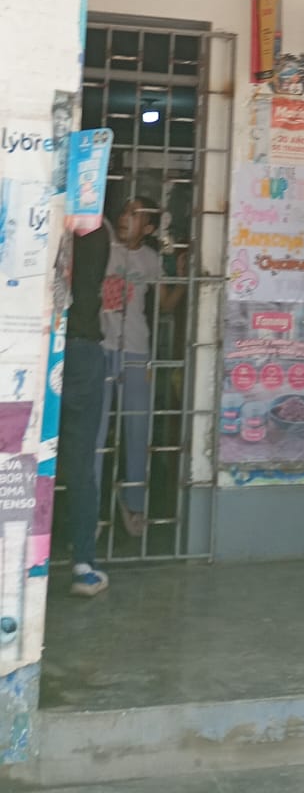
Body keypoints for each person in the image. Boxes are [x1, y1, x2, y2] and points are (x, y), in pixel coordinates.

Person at [96, 196, 185, 539]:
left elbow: (165, 306)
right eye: (124, 210)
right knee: (95, 433)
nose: (125, 217)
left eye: (135, 214)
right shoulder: (105, 242)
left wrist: (184, 277)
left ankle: (133, 502)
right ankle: (92, 512)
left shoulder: (150, 259)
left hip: (136, 350)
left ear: (147, 228)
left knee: (137, 430)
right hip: (101, 347)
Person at [58, 222, 111, 597]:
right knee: (79, 459)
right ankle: (83, 565)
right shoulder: (95, 229)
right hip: (80, 346)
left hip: (27, 342)